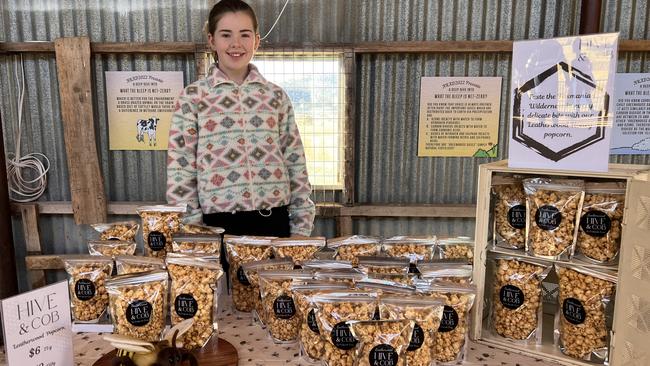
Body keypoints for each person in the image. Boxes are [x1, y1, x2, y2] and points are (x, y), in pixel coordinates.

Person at [166, 0, 315, 238]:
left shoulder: (275, 97)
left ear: (256, 40)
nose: (236, 44)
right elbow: (181, 171)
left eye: (244, 35)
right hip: (215, 229)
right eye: (226, 35)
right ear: (212, 40)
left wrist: (301, 228)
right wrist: (195, 235)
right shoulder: (193, 98)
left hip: (274, 224)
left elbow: (295, 162)